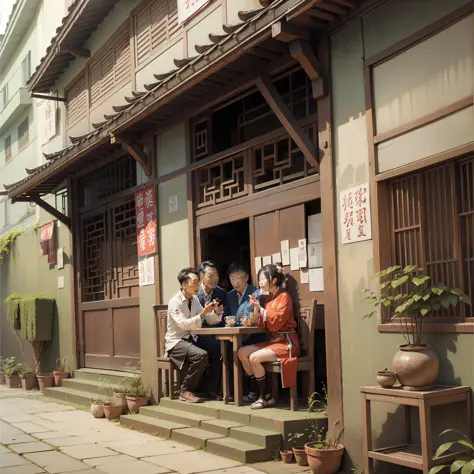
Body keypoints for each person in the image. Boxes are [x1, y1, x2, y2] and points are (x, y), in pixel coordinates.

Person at [238, 264, 300, 409]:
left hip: (287, 343)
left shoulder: (284, 297)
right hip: (274, 342)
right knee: (242, 352)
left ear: (273, 280)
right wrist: (255, 311)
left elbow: (277, 322)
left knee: (254, 357)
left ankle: (262, 397)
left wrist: (260, 309)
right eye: (259, 279)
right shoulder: (269, 299)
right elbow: (263, 323)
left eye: (262, 279)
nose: (260, 282)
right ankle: (259, 391)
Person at [165, 268, 222, 403]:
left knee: (219, 349)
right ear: (184, 285)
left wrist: (216, 312)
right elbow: (184, 324)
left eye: (197, 283)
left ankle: (209, 389)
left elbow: (208, 319)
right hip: (176, 342)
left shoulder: (195, 300)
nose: (197, 286)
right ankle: (185, 390)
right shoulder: (175, 302)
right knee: (201, 355)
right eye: (194, 283)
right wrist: (202, 314)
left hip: (191, 340)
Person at [194, 261, 229, 399]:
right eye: (210, 275)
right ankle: (207, 388)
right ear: (202, 277)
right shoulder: (195, 293)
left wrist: (218, 313)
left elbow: (223, 316)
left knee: (225, 347)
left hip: (215, 334)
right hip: (196, 335)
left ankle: (219, 388)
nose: (214, 279)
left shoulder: (220, 293)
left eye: (216, 275)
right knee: (219, 348)